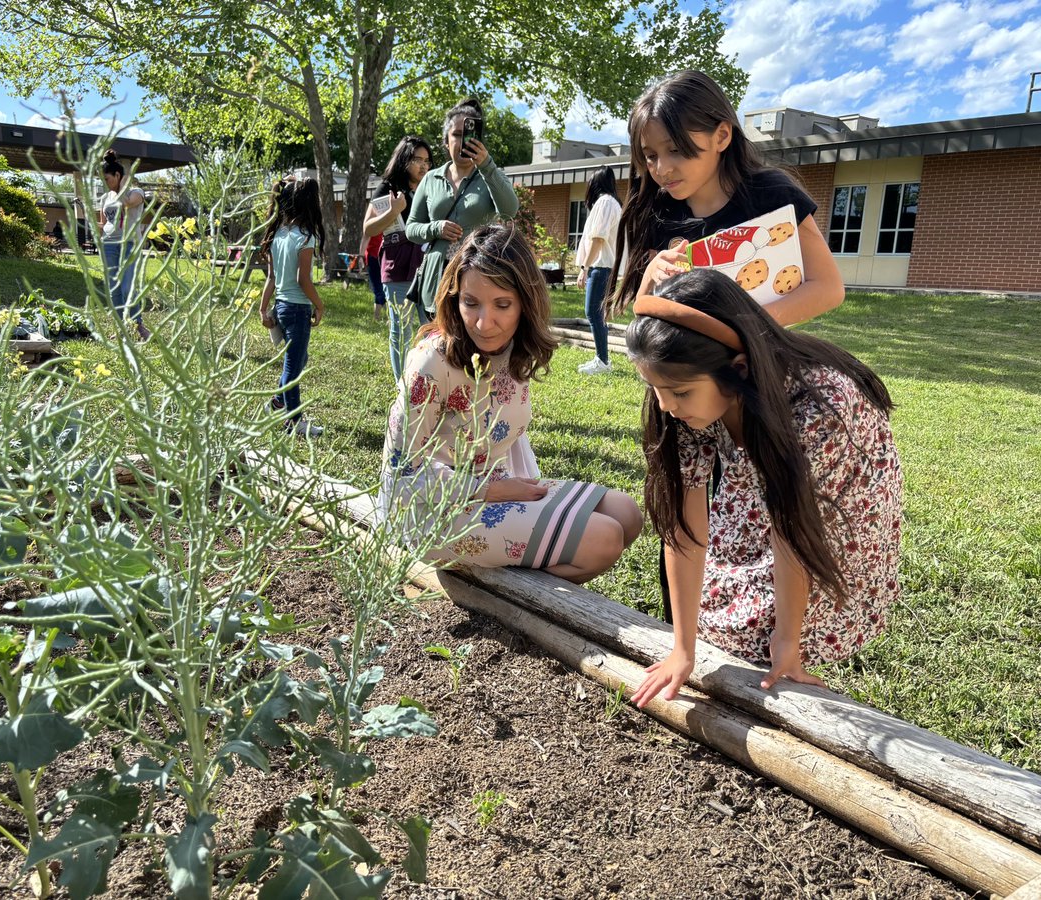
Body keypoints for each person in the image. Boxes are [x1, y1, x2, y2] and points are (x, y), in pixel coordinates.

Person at [625, 268, 902, 706]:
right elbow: (684, 526)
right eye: (655, 389)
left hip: (837, 488)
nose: (665, 406)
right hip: (763, 458)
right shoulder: (681, 390)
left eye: (677, 392)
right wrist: (683, 648)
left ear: (738, 368)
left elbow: (792, 533)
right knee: (718, 609)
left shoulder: (818, 409)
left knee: (760, 626)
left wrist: (786, 642)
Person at [378, 223, 642, 584]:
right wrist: (491, 491)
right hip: (432, 514)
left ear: (525, 303)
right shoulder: (431, 363)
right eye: (471, 303)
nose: (484, 323)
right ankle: (515, 593)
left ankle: (518, 566)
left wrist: (508, 489)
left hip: (498, 490)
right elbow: (399, 477)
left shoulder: (513, 351)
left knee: (627, 514)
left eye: (502, 304)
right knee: (604, 538)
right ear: (455, 298)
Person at [610, 70, 844, 327]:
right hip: (682, 365)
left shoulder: (772, 195)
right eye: (651, 156)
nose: (662, 169)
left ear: (721, 136)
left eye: (675, 149)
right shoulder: (659, 210)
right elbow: (644, 312)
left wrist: (745, 329)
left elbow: (828, 287)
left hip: (756, 362)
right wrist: (651, 275)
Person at [406, 97, 520, 317]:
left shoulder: (489, 175)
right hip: (436, 277)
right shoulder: (431, 179)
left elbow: (509, 210)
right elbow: (411, 229)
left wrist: (486, 165)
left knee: (471, 340)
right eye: (456, 135)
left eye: (467, 135)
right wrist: (435, 228)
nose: (462, 141)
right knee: (435, 342)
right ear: (446, 141)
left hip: (476, 275)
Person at [258, 176, 326, 438]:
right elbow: (303, 279)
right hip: (297, 310)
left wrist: (263, 309)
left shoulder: (278, 236)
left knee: (297, 360)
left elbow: (272, 279)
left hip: (281, 308)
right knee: (292, 369)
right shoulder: (305, 238)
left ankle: (277, 402)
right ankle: (293, 422)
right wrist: (319, 305)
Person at [363, 135, 432, 381]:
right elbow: (369, 228)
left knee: (432, 329)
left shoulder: (432, 186)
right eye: (417, 160)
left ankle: (426, 382)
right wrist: (393, 210)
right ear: (404, 160)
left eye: (427, 161)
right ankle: (402, 386)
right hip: (398, 265)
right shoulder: (389, 188)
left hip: (428, 266)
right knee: (401, 330)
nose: (423, 166)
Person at [574, 166, 623, 375]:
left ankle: (602, 361)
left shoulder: (604, 202)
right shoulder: (613, 203)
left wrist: (584, 268)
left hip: (600, 267)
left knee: (593, 313)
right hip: (604, 267)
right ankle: (601, 359)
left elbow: (598, 238)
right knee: (597, 314)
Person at [99, 150, 151, 340]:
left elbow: (128, 203)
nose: (106, 183)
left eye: (108, 179)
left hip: (129, 244)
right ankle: (121, 329)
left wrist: (123, 184)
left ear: (118, 176)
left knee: (128, 288)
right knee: (114, 290)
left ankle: (138, 326)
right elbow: (105, 224)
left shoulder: (136, 193)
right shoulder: (105, 199)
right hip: (109, 246)